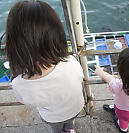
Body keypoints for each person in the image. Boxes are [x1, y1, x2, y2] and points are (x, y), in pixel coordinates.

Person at [5, 1, 84, 133]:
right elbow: (80, 79)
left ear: (14, 45)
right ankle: (70, 129)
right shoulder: (71, 62)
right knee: (69, 123)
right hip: (75, 109)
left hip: (52, 117)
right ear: (57, 34)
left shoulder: (19, 84)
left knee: (56, 128)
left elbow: (26, 101)